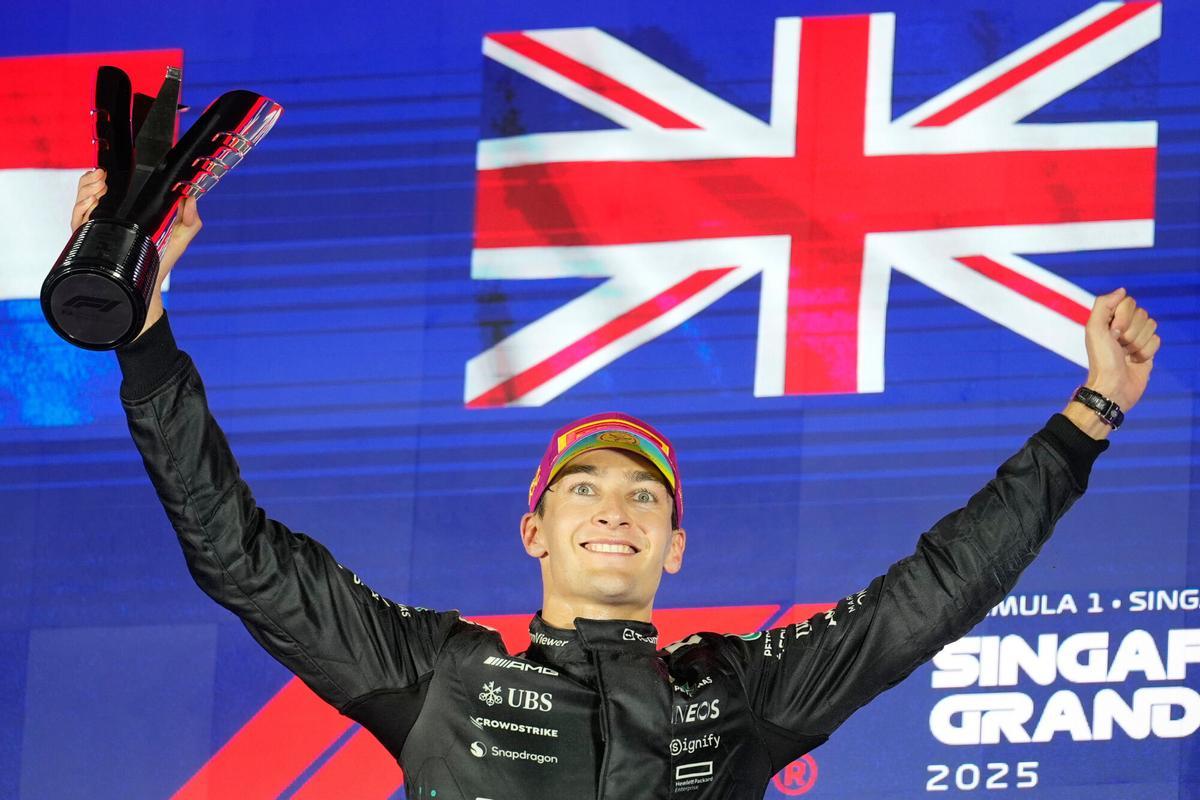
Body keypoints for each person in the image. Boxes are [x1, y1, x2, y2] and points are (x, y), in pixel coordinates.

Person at [72, 169, 1160, 799]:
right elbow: (240, 556)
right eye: (583, 488)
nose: (613, 508)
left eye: (645, 497)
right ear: (534, 529)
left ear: (675, 546)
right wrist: (144, 330)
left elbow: (936, 592)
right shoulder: (439, 674)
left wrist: (1089, 417)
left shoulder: (741, 690)